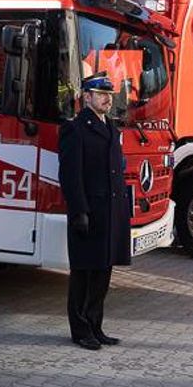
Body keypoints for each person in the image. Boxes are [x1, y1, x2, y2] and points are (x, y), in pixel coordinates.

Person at [58, 72, 131, 351]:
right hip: (89, 212)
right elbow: (71, 175)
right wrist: (79, 211)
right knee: (84, 274)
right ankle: (80, 330)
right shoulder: (75, 128)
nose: (107, 99)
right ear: (86, 97)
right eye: (101, 94)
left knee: (103, 272)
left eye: (109, 95)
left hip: (110, 211)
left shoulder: (110, 126)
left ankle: (95, 325)